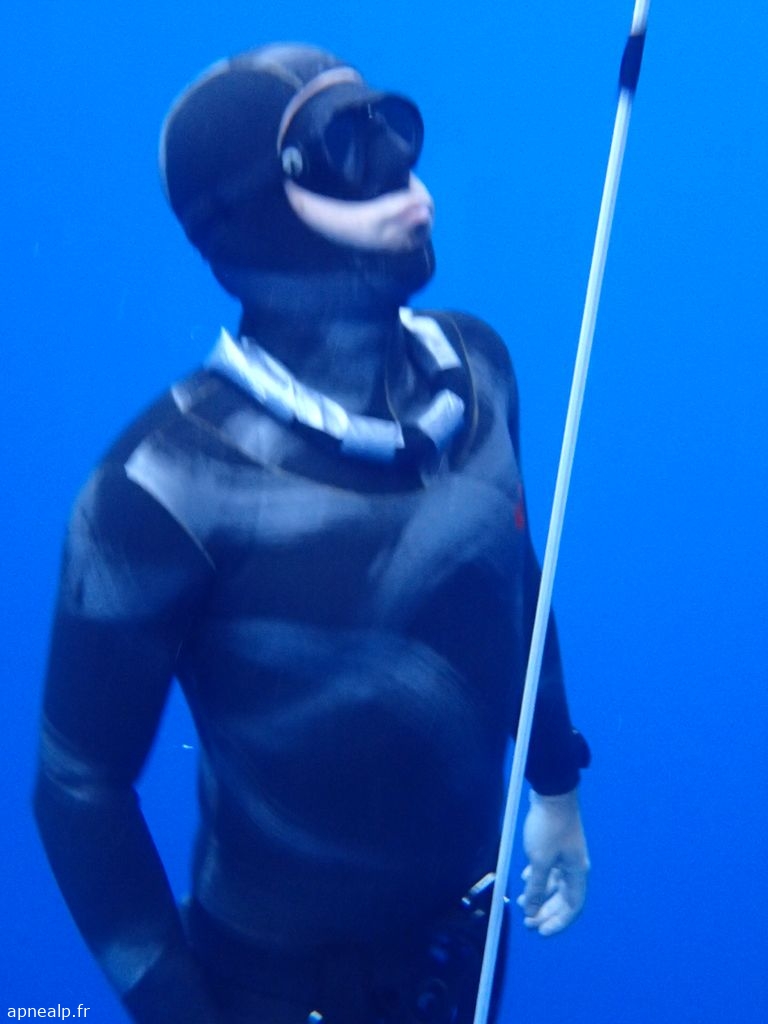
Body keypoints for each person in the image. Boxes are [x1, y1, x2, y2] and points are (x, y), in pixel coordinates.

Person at [33, 43, 591, 1024]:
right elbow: (78, 788)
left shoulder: (481, 370)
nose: (412, 189)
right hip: (273, 991)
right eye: (348, 154)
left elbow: (513, 585)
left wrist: (555, 785)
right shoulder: (160, 488)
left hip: (463, 958)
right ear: (253, 213)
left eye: (395, 137)